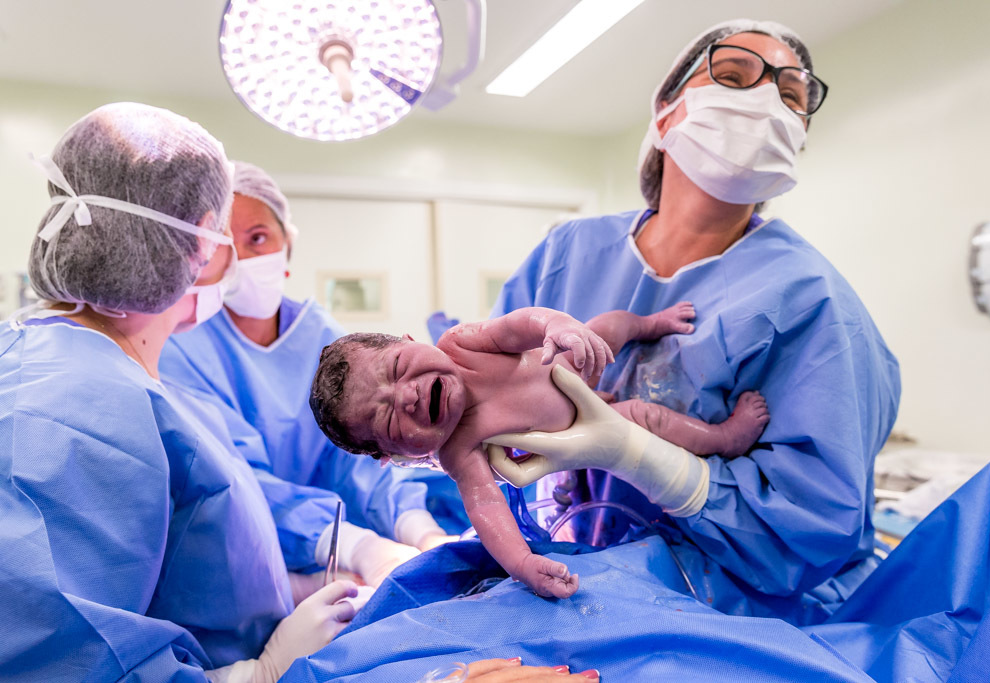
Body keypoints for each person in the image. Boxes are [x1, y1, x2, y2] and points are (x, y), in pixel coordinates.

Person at [487, 19, 901, 626]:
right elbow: (493, 397)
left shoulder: (813, 301)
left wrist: (653, 462)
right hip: (558, 568)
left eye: (791, 97)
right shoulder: (567, 254)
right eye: (733, 78)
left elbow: (813, 526)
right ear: (665, 115)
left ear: (799, 138)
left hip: (723, 609)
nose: (764, 105)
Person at [0, 103, 369, 682]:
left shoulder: (107, 377)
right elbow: (54, 657)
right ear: (197, 243)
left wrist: (287, 596)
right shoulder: (74, 406)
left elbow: (174, 570)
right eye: (225, 233)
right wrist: (259, 673)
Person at [307, 304, 770, 598]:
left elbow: (517, 326)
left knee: (607, 326)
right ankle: (725, 439)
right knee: (649, 422)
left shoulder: (462, 346)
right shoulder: (458, 450)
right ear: (396, 457)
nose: (405, 395)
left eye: (399, 367)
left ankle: (652, 322)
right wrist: (523, 564)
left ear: (410, 341)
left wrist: (559, 326)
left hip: (573, 363)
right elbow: (485, 506)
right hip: (577, 432)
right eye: (389, 419)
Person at [159, 161, 454, 589]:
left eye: (258, 237)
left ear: (287, 246)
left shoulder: (327, 340)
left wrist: (420, 531)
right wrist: (356, 546)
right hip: (240, 573)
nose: (243, 258)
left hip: (343, 567)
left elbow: (364, 460)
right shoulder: (183, 347)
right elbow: (231, 480)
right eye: (225, 242)